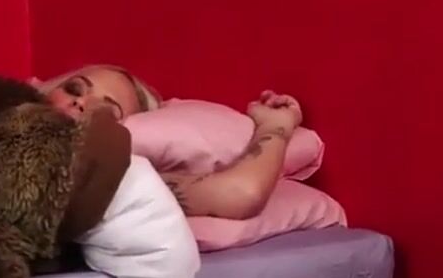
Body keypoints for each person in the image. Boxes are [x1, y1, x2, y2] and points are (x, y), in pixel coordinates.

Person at [32, 65, 303, 220]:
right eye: (74, 89)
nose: (81, 102)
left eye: (106, 112)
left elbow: (241, 194)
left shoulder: (105, 181)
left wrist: (274, 127)